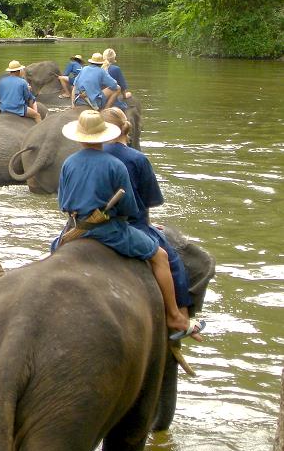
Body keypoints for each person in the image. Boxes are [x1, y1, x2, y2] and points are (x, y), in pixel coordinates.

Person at [52, 111, 202, 339]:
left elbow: (63, 203)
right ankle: (173, 314)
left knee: (53, 249)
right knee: (160, 256)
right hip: (109, 230)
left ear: (79, 137)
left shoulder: (68, 163)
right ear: (103, 135)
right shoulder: (115, 165)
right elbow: (129, 208)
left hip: (75, 230)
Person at [101, 107, 195, 312]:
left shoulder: (89, 157)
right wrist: (147, 224)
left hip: (84, 225)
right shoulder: (137, 159)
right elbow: (148, 200)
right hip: (130, 225)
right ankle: (178, 316)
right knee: (173, 262)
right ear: (126, 129)